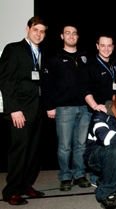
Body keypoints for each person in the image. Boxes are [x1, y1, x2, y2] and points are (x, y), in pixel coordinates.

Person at [0, 16, 47, 205]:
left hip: (36, 110)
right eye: (36, 29)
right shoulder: (14, 49)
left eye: (43, 31)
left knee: (33, 151)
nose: (39, 34)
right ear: (27, 29)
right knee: (19, 151)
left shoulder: (40, 51)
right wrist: (14, 109)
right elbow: (6, 81)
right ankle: (11, 191)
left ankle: (25, 185)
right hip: (20, 111)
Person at [42, 23, 91, 191]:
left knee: (81, 145)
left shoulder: (85, 57)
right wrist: (49, 106)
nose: (71, 36)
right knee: (64, 146)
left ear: (77, 36)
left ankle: (79, 174)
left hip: (84, 108)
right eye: (67, 33)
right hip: (63, 108)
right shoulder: (54, 58)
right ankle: (65, 176)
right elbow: (46, 85)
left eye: (74, 33)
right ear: (62, 36)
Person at [83, 33, 116, 187]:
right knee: (96, 145)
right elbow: (85, 89)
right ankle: (94, 177)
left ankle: (106, 174)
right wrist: (94, 105)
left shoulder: (113, 66)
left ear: (113, 47)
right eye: (102, 45)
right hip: (96, 113)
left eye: (109, 45)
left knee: (108, 144)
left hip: (111, 112)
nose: (106, 48)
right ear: (97, 46)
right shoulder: (91, 66)